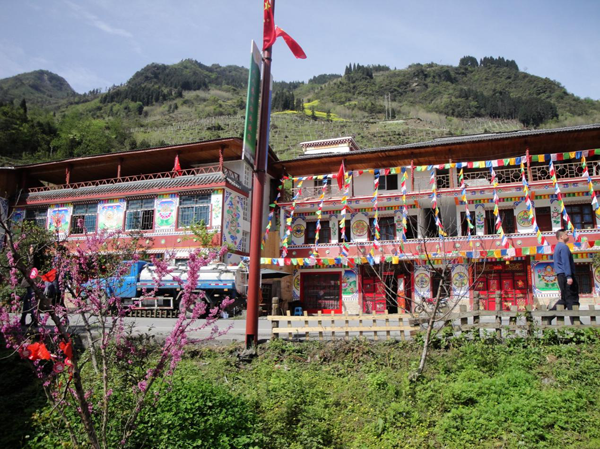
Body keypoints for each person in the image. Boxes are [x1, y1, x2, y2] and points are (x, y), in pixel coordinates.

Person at [552, 228, 580, 310]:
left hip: (561, 275)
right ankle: (574, 317)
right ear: (561, 237)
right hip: (565, 275)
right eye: (566, 234)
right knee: (572, 299)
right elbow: (566, 262)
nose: (568, 236)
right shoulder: (563, 247)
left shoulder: (557, 247)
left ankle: (548, 315)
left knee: (564, 299)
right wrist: (569, 276)